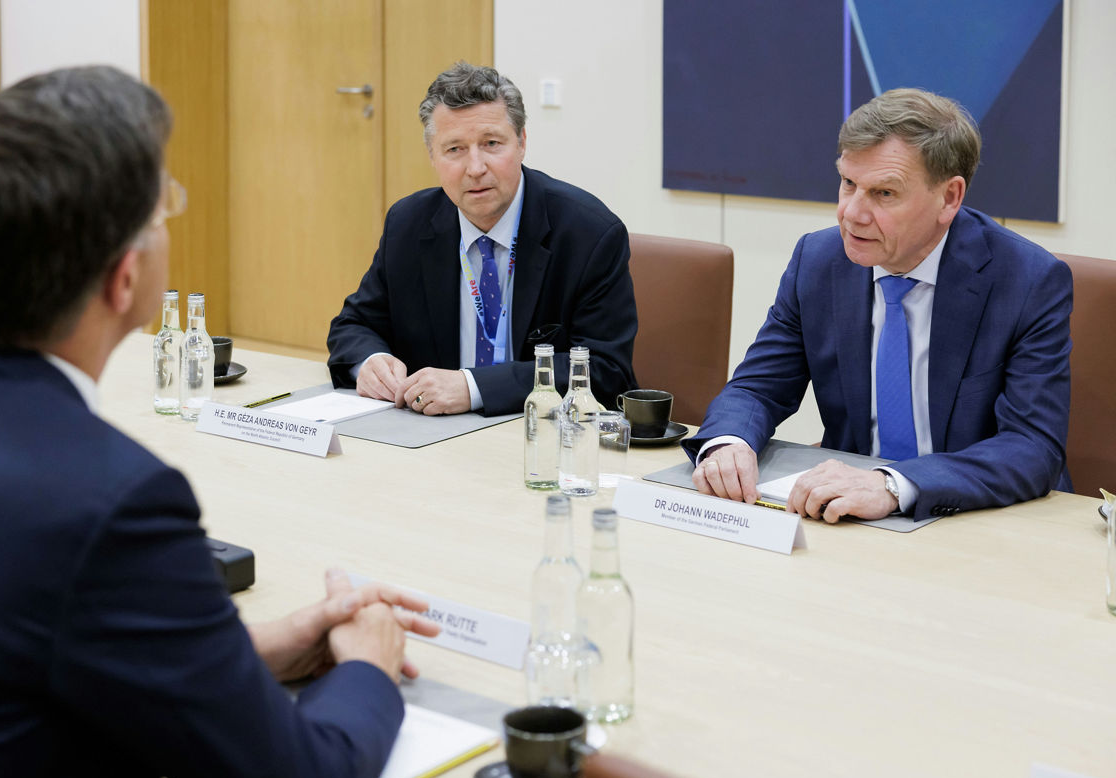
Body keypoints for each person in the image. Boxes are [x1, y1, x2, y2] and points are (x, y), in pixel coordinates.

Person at [0, 66, 439, 778]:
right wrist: (368, 668)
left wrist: (238, 651)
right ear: (125, 277)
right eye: (163, 208)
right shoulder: (111, 502)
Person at [686, 88, 1071, 523]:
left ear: (949, 198)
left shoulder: (1027, 281)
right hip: (851, 520)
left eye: (884, 194)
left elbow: (1033, 446)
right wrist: (729, 443)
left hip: (980, 521)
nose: (852, 213)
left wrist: (892, 484)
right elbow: (758, 387)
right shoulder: (818, 261)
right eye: (848, 183)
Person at [327, 61, 638, 416]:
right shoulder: (408, 224)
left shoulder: (588, 234)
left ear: (521, 143)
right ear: (432, 156)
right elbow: (353, 325)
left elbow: (606, 370)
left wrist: (474, 387)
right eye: (454, 149)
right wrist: (372, 361)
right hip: (429, 435)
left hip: (539, 437)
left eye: (491, 143)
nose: (475, 168)